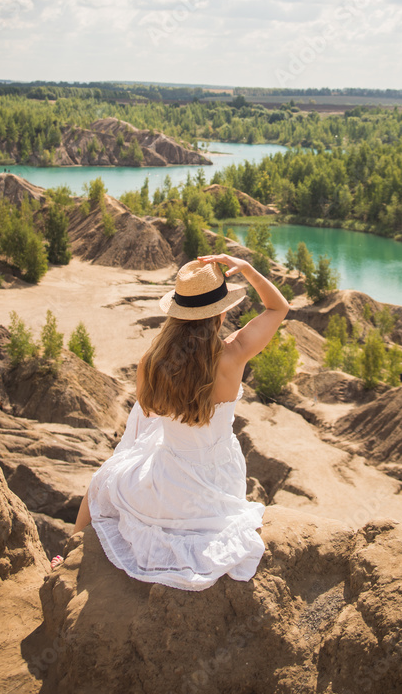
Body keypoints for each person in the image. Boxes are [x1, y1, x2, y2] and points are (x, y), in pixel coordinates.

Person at [50, 253, 290, 591]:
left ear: (178, 313)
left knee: (101, 482)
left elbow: (148, 411)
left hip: (169, 484)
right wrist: (248, 268)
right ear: (220, 312)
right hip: (223, 482)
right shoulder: (235, 354)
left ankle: (70, 553)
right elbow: (278, 308)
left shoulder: (152, 362)